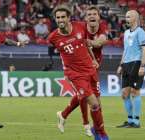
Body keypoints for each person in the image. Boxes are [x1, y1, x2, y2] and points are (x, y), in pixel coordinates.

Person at [48, 4, 109, 140]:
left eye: (63, 17)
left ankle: (96, 131)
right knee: (93, 103)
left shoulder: (80, 26)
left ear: (69, 18)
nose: (60, 20)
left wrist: (93, 59)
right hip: (75, 74)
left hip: (90, 69)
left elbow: (86, 44)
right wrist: (67, 71)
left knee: (98, 105)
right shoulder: (53, 37)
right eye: (58, 18)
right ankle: (102, 134)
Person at [116, 10, 145, 128]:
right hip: (126, 64)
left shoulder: (140, 32)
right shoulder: (126, 32)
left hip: (136, 62)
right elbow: (125, 50)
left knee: (135, 92)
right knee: (124, 94)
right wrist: (121, 64)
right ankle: (129, 120)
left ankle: (136, 121)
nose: (126, 19)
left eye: (128, 17)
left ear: (135, 18)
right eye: (126, 17)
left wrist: (143, 65)